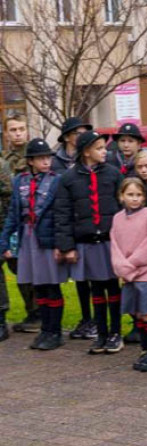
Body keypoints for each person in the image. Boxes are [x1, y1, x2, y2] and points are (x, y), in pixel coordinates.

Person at [53, 130, 124, 354]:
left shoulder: (113, 174)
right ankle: (100, 333)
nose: (105, 151)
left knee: (112, 287)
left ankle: (116, 332)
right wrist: (67, 246)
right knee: (95, 289)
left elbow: (123, 209)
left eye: (105, 147)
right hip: (86, 242)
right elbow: (62, 214)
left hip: (109, 241)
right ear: (86, 152)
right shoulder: (68, 179)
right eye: (99, 148)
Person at [0, 138, 67, 348]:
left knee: (51, 286)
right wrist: (4, 240)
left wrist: (61, 243)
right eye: (41, 158)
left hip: (47, 240)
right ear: (30, 161)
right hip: (27, 239)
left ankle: (54, 331)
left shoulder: (56, 181)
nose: (46, 161)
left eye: (48, 157)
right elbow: (13, 214)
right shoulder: (20, 181)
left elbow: (61, 214)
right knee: (38, 286)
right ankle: (44, 329)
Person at [110, 178, 147, 372]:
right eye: (130, 195)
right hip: (129, 275)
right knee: (136, 312)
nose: (134, 199)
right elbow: (115, 246)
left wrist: (131, 265)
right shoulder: (117, 218)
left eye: (138, 195)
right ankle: (145, 350)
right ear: (122, 196)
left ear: (144, 197)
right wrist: (123, 268)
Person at [0, 113, 39, 333]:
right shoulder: (4, 159)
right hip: (5, 222)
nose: (17, 133)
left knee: (26, 270)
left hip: (25, 221)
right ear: (6, 133)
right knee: (14, 270)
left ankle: (37, 313)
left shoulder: (34, 156)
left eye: (21, 129)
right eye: (13, 130)